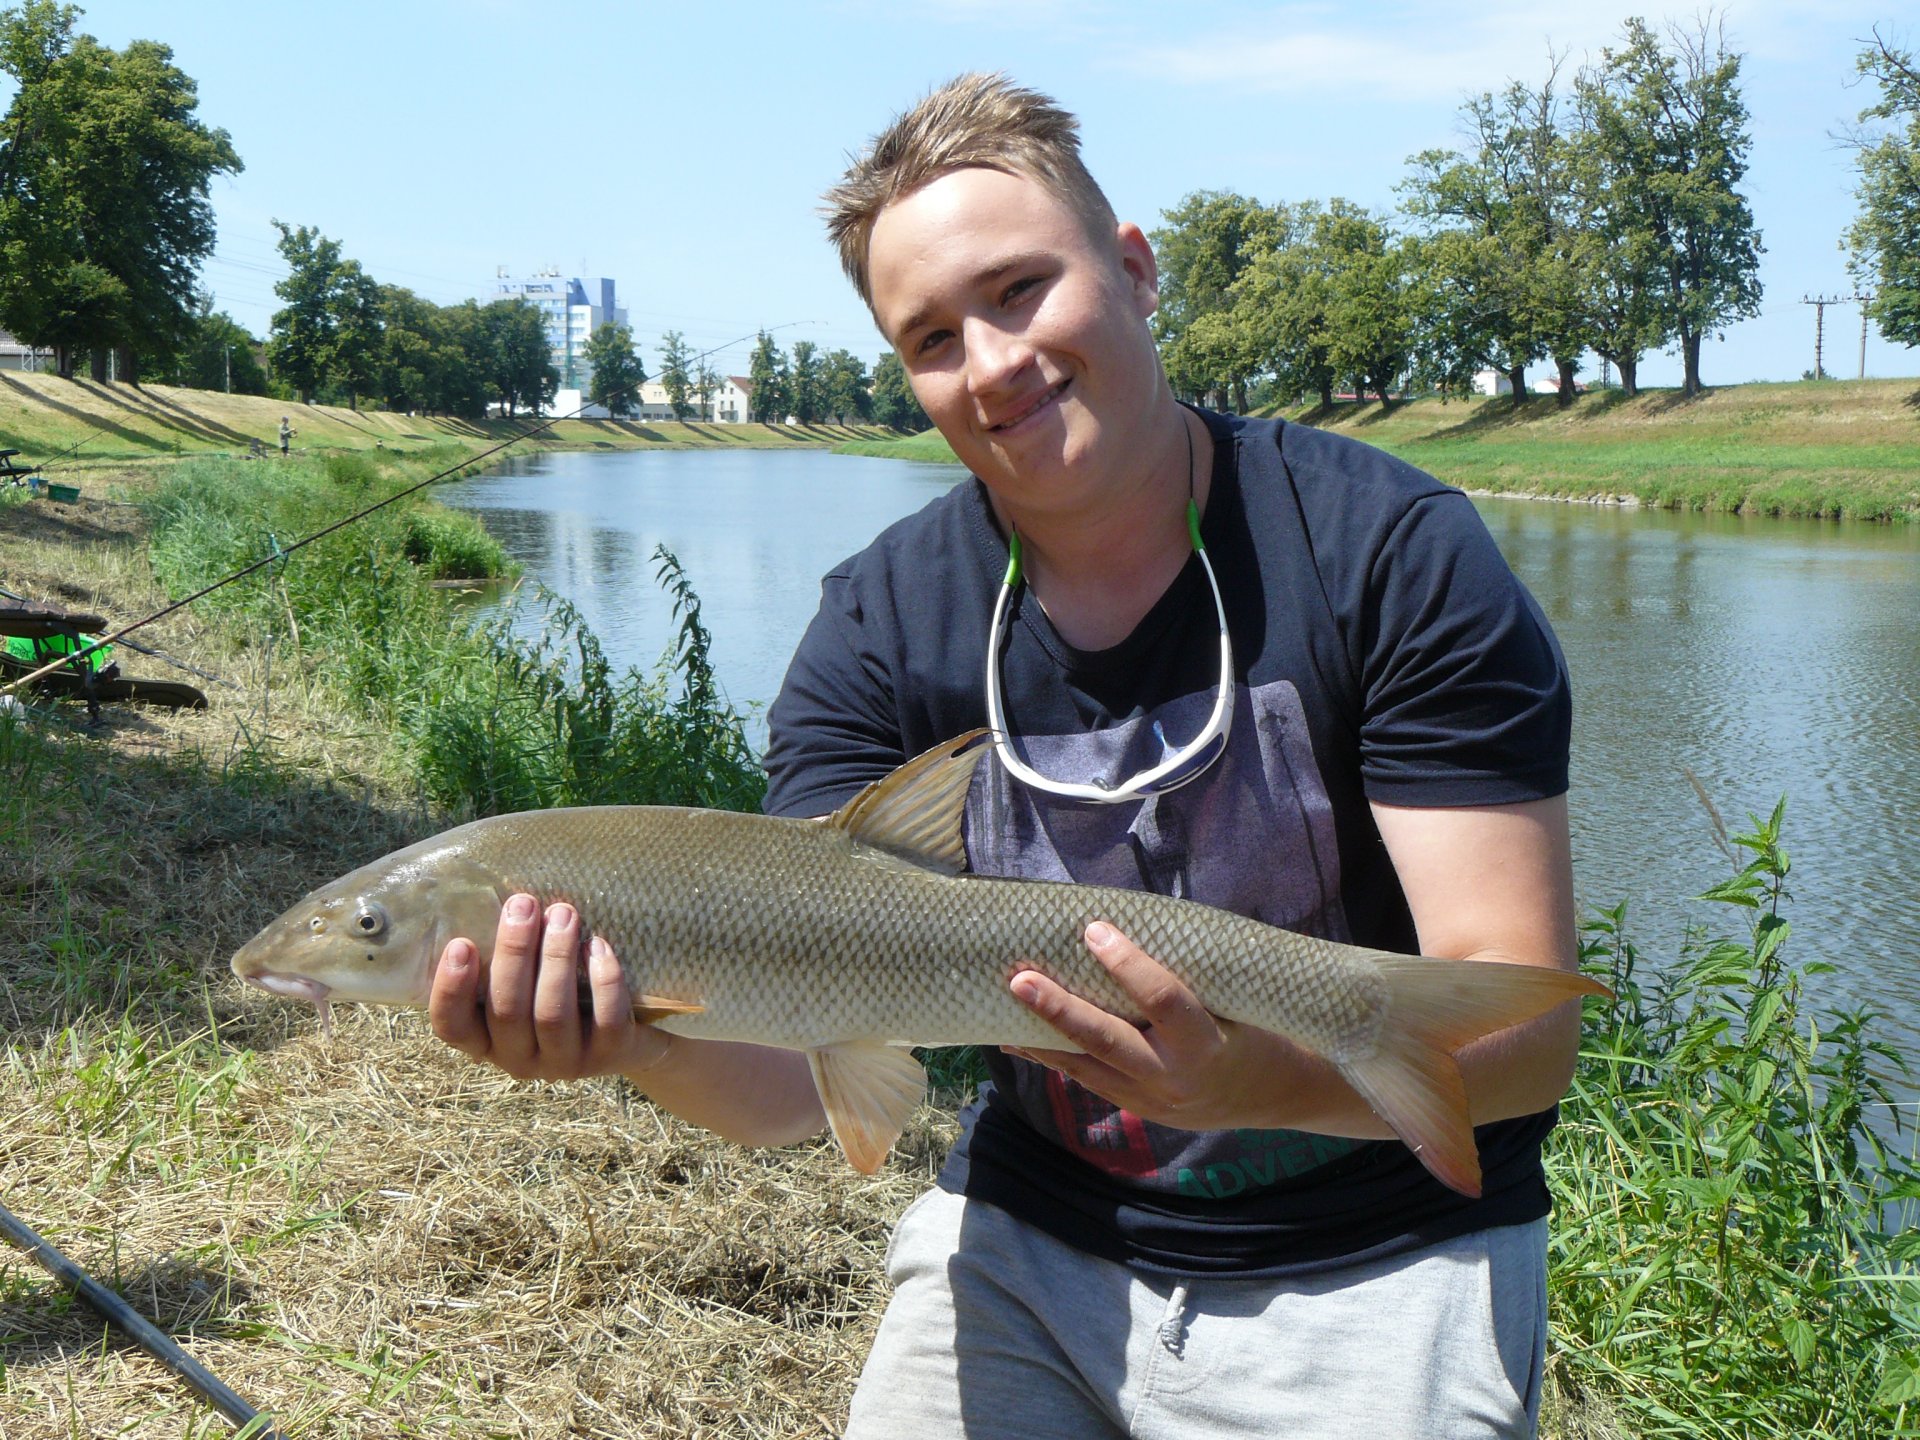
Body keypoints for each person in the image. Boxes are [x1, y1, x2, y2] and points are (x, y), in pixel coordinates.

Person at [428, 73, 1581, 1439]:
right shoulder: (883, 620)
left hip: (1375, 1248)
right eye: (929, 338)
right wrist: (622, 1038)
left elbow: (1521, 1033)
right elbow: (787, 1092)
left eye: (1022, 289)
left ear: (1137, 271)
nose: (989, 363)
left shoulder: (1388, 553)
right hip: (1036, 1236)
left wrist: (1246, 1084)